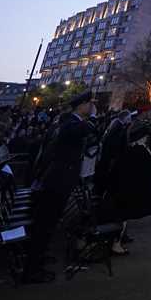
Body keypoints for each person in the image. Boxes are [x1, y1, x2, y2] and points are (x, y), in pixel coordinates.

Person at [23, 91, 96, 283]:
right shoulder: (71, 124)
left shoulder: (65, 122)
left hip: (57, 178)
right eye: (90, 104)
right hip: (58, 179)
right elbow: (87, 131)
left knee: (47, 223)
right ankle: (32, 269)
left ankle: (38, 258)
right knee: (45, 223)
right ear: (82, 105)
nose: (92, 107)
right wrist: (93, 118)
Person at [98, 121, 151, 255]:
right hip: (125, 193)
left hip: (119, 191)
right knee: (122, 217)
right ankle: (116, 244)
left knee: (122, 217)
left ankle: (116, 241)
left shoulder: (129, 150)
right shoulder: (139, 152)